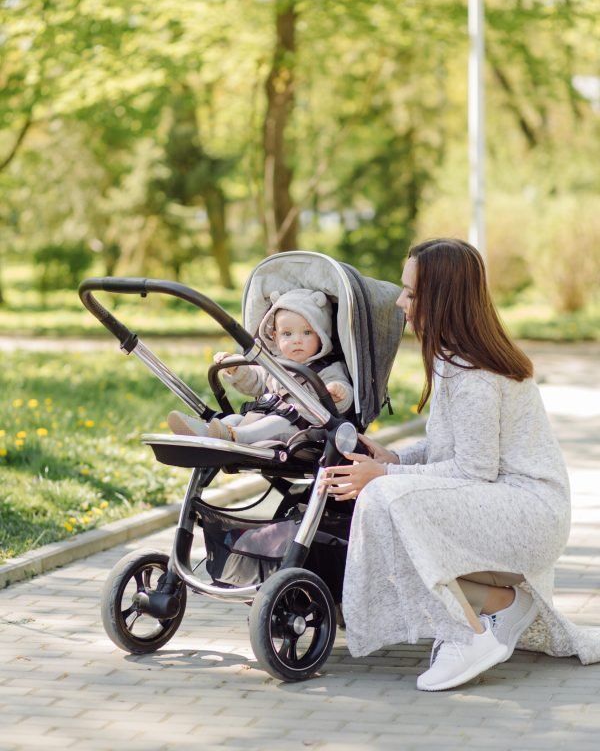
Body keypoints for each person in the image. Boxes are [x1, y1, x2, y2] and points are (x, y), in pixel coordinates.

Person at [323, 238, 600, 691]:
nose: (400, 302)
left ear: (442, 298)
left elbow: (473, 470)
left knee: (386, 500)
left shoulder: (473, 372)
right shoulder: (454, 359)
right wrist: (394, 458)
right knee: (388, 499)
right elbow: (451, 448)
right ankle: (500, 604)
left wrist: (386, 475)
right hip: (506, 504)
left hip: (528, 513)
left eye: (411, 292)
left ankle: (469, 636)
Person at [168, 288, 353, 445]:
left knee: (273, 423)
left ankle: (234, 436)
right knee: (235, 419)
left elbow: (342, 398)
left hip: (301, 428)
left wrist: (338, 393)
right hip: (262, 415)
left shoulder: (328, 368)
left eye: (306, 332)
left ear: (321, 335)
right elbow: (254, 380)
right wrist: (236, 368)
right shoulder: (273, 364)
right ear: (275, 337)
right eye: (287, 334)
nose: (297, 340)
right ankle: (206, 431)